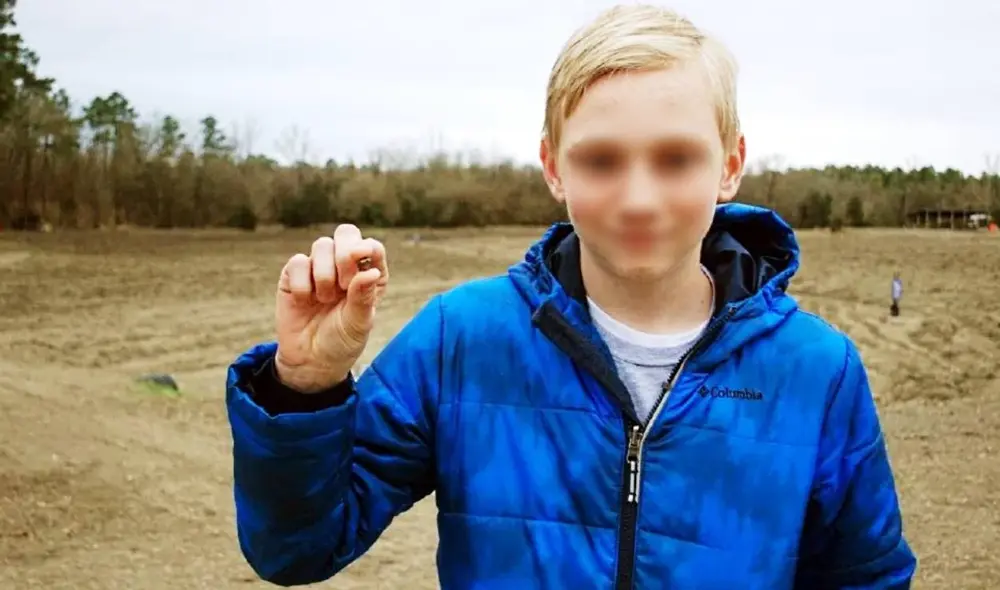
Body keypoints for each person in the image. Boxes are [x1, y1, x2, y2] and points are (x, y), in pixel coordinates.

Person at [225, 5, 917, 588]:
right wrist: (306, 387)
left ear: (730, 165)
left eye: (675, 158)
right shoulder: (460, 340)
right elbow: (295, 548)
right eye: (602, 160)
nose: (639, 198)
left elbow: (868, 576)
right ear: (554, 166)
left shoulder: (817, 370)